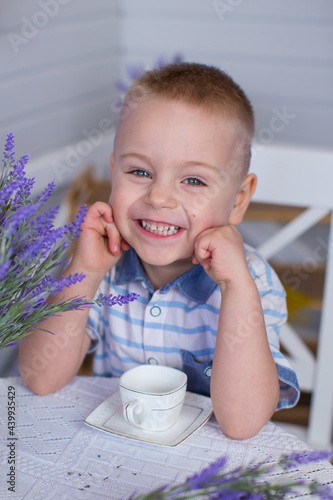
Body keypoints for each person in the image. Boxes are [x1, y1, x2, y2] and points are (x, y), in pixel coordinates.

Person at [19, 62, 299, 439]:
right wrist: (83, 270)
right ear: (114, 170)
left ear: (238, 199)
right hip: (116, 455)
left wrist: (236, 289)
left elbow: (243, 423)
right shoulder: (106, 268)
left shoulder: (252, 281)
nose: (160, 197)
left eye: (194, 180)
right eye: (140, 172)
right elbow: (40, 377)